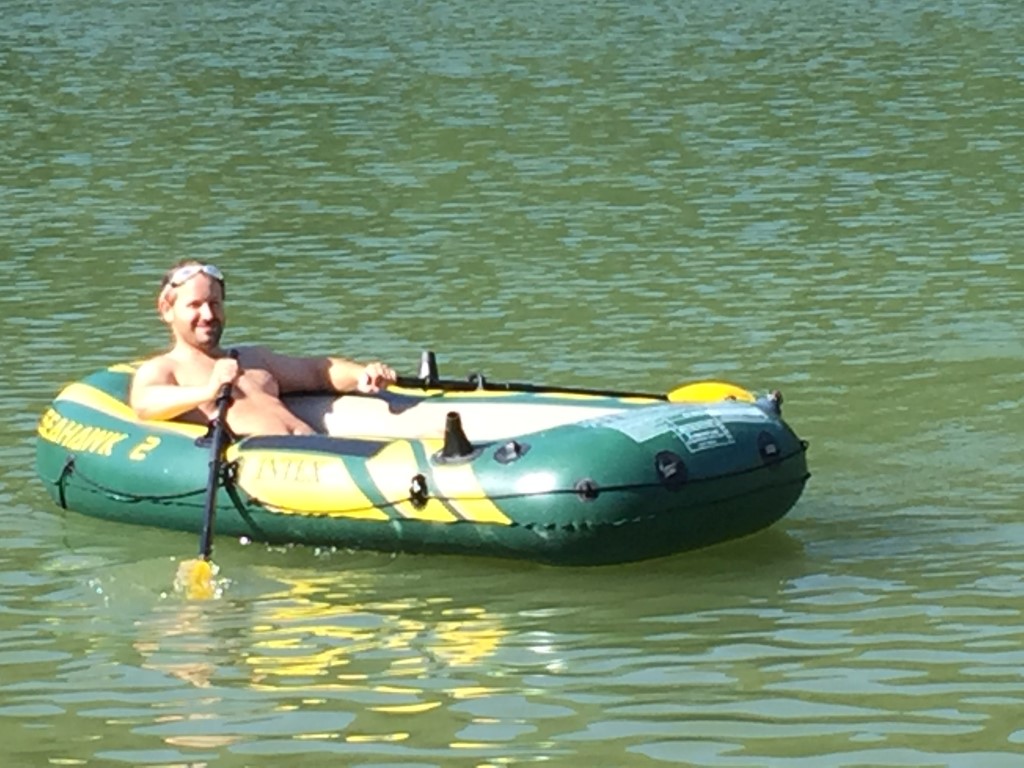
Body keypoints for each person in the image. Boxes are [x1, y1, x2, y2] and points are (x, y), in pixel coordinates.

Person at [129, 260, 397, 436]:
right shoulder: (166, 368)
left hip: (313, 450)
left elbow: (318, 371)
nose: (208, 315)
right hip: (261, 468)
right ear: (167, 309)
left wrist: (361, 374)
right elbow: (144, 404)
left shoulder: (252, 358)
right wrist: (210, 390)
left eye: (215, 303)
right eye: (195, 305)